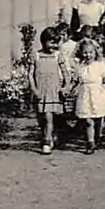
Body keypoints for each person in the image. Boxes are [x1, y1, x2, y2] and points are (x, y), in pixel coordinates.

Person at [30, 27, 69, 155]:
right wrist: (34, 89)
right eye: (51, 42)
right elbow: (30, 74)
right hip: (40, 90)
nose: (54, 46)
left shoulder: (57, 55)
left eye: (56, 43)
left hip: (53, 90)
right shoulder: (36, 55)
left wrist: (66, 86)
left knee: (49, 116)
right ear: (44, 41)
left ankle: (46, 141)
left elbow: (65, 73)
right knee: (41, 117)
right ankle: (49, 135)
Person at [72, 39, 105, 154]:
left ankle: (97, 137)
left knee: (98, 119)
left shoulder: (101, 65)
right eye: (85, 52)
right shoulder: (80, 67)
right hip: (85, 94)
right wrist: (71, 88)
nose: (88, 55)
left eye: (91, 52)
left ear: (95, 52)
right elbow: (76, 80)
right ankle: (90, 142)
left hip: (98, 94)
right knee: (88, 120)